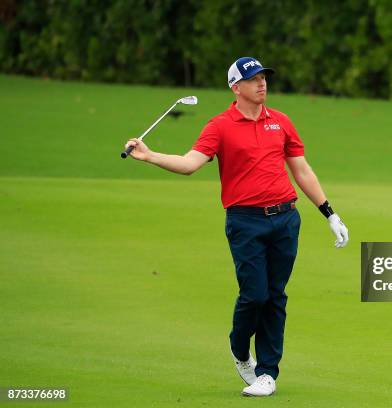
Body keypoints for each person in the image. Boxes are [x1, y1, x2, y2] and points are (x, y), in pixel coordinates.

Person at [124, 56, 349, 397]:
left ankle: (267, 372)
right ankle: (239, 347)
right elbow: (189, 164)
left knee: (275, 296)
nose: (262, 83)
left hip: (286, 219)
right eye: (254, 79)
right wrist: (150, 155)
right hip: (246, 222)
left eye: (264, 77)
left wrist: (330, 214)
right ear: (236, 87)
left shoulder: (282, 122)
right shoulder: (219, 126)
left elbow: (302, 171)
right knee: (254, 295)